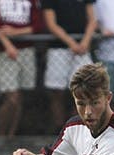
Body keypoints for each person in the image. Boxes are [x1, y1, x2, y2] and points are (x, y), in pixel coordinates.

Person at [0, 0, 42, 137]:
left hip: (26, 50)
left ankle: (11, 135)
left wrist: (15, 32)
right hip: (5, 51)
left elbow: (37, 25)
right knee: (12, 97)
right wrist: (8, 45)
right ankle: (1, 134)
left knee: (19, 97)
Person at [42, 0, 98, 133]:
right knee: (57, 92)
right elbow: (51, 24)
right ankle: (59, 130)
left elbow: (92, 20)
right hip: (58, 50)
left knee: (84, 90)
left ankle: (77, 128)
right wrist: (71, 43)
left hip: (82, 50)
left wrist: (85, 41)